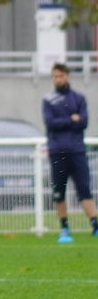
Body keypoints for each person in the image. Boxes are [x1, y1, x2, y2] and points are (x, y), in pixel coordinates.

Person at [43, 62, 96, 242]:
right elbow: (51, 123)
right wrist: (70, 119)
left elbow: (84, 122)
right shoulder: (48, 99)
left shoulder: (78, 98)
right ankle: (65, 228)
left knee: (84, 189)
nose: (58, 79)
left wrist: (67, 121)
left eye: (61, 76)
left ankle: (95, 224)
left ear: (67, 76)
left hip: (77, 150)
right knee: (59, 191)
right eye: (55, 76)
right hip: (57, 151)